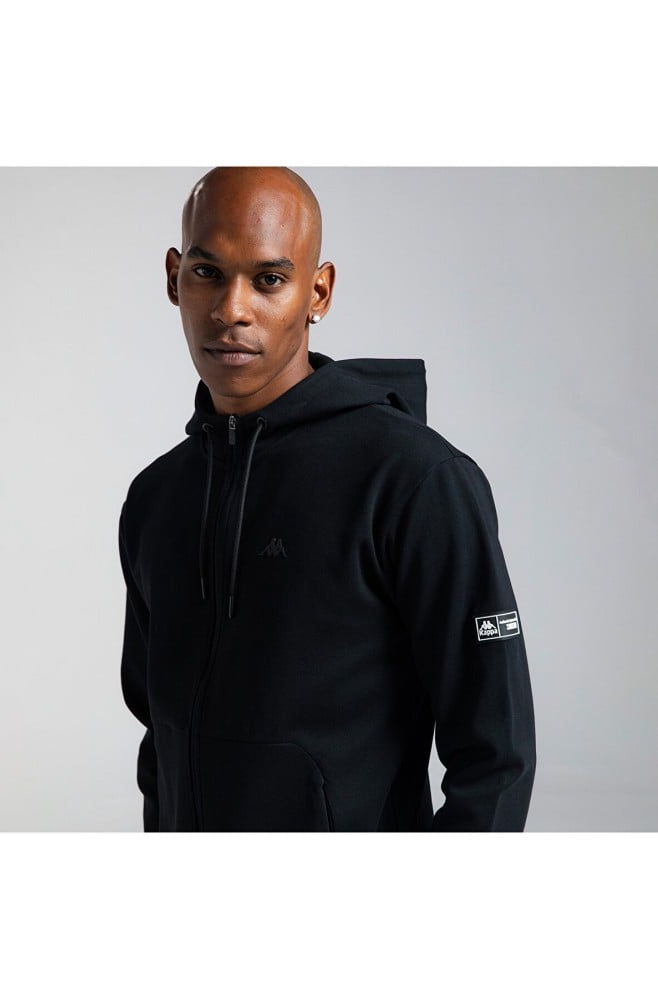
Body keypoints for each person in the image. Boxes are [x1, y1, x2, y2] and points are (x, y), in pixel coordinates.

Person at [118, 166, 537, 832]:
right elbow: (158, 737)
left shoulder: (414, 480)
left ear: (318, 292)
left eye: (268, 279)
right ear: (174, 279)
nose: (231, 309)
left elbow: (496, 757)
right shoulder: (157, 498)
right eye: (206, 273)